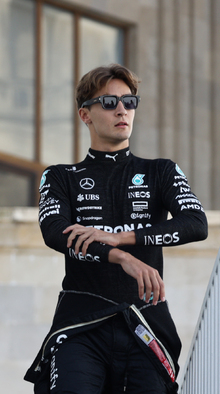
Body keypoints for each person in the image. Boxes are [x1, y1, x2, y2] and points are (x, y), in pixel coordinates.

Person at [24, 64, 208, 393]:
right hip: (81, 325)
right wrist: (121, 257)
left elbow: (196, 224)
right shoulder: (60, 176)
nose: (122, 110)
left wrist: (121, 238)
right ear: (86, 115)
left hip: (146, 326)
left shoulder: (161, 171)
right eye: (109, 102)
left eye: (129, 102)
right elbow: (55, 232)